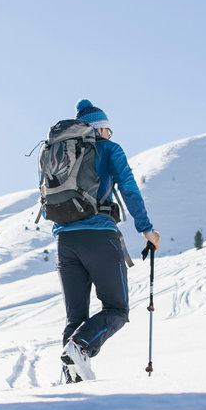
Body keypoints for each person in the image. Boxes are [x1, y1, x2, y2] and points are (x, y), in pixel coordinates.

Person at [52, 99, 158, 382]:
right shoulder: (110, 149)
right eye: (108, 130)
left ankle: (71, 378)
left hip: (65, 241)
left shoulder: (61, 153)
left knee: (76, 319)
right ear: (99, 129)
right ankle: (80, 347)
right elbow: (129, 189)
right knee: (117, 310)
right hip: (99, 237)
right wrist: (147, 229)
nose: (110, 135)